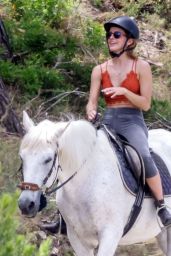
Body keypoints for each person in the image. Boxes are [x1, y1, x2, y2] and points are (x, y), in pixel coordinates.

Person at [86, 15, 171, 227]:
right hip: (108, 120)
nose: (110, 38)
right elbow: (91, 103)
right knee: (81, 155)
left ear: (130, 41)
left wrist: (124, 91)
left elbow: (145, 104)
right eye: (109, 35)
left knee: (142, 154)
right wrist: (91, 111)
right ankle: (63, 216)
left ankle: (161, 205)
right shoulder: (99, 70)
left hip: (132, 121)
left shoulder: (141, 67)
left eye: (116, 34)